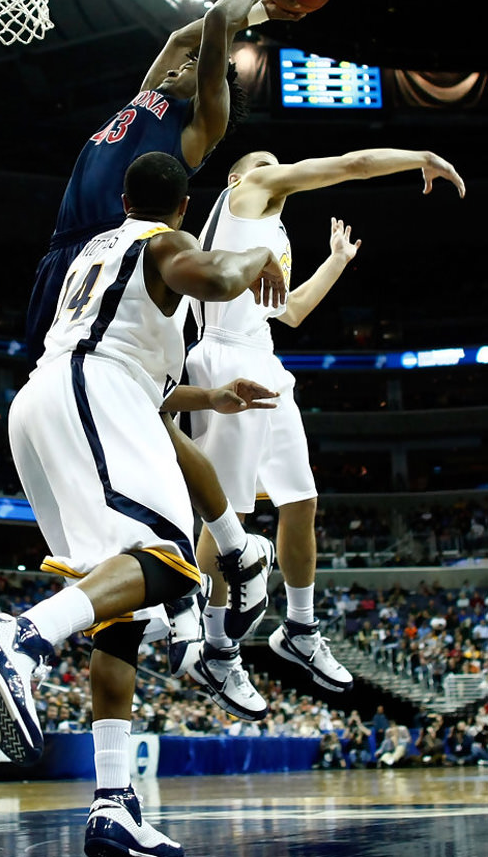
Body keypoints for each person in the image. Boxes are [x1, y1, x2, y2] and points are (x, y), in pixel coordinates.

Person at [0, 152, 286, 857]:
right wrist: (258, 252)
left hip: (59, 395)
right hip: (90, 393)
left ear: (125, 196)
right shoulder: (165, 243)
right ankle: (23, 638)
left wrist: (211, 397)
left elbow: (138, 370)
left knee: (123, 616)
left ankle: (114, 806)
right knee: (167, 563)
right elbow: (223, 277)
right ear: (185, 210)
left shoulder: (98, 250)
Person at [181, 146, 466, 712]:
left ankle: (301, 630)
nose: (276, 166)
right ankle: (214, 644)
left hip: (263, 358)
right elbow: (352, 164)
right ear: (241, 177)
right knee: (228, 512)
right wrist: (421, 157)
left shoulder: (266, 232)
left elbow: (291, 312)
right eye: (265, 162)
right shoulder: (247, 195)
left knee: (302, 500)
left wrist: (335, 260)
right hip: (226, 361)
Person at [25, 0, 321, 367]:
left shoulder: (199, 126)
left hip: (116, 248)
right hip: (64, 248)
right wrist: (261, 13)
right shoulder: (150, 95)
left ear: (205, 84)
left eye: (190, 68)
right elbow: (180, 39)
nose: (175, 68)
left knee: (95, 375)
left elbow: (217, 23)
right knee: (43, 376)